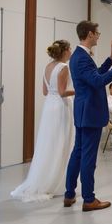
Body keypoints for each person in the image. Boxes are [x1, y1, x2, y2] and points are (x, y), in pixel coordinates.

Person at [64, 21, 112, 212]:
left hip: (83, 111)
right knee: (88, 157)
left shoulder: (79, 56)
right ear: (90, 34)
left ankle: (69, 194)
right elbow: (98, 81)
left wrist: (110, 60)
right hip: (90, 112)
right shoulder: (82, 57)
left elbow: (94, 75)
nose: (99, 36)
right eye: (97, 33)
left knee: (78, 153)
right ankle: (89, 199)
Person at [11, 40, 75, 202]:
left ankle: (45, 178)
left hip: (49, 107)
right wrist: (79, 90)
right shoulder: (64, 67)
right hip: (60, 107)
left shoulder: (48, 66)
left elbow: (45, 91)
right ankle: (55, 181)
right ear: (66, 51)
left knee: (49, 143)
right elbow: (62, 92)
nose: (71, 52)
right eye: (70, 49)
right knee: (61, 142)